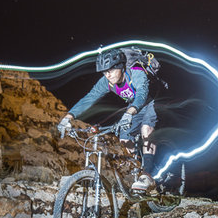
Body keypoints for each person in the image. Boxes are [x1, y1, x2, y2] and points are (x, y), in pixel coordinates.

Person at [56, 48, 159, 192]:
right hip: (136, 106)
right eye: (104, 72)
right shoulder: (107, 82)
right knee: (124, 138)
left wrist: (130, 112)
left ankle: (147, 175)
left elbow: (142, 92)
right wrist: (68, 117)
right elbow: (89, 98)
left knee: (146, 129)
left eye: (110, 70)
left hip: (155, 100)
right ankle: (135, 172)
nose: (107, 75)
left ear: (121, 67)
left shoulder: (135, 72)